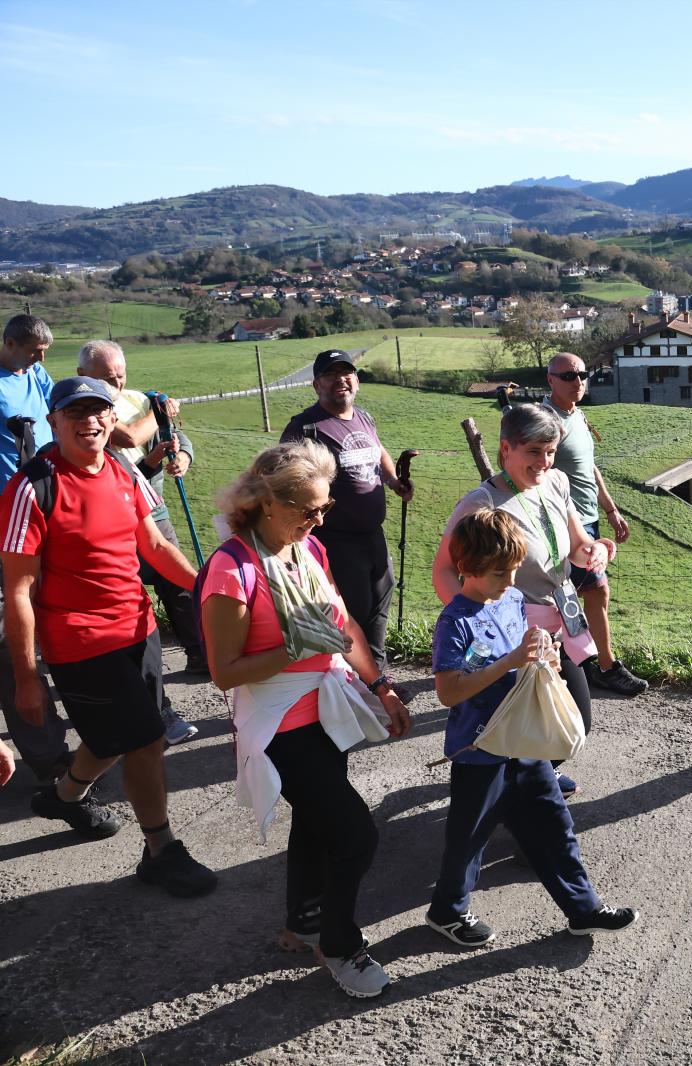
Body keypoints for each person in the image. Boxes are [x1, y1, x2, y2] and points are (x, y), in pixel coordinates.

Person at [199, 439, 412, 999]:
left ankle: (301, 925)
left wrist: (382, 687)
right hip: (278, 727)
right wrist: (295, 649)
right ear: (268, 502)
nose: (318, 519)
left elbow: (343, 627)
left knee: (317, 823)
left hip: (326, 710)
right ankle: (339, 945)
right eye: (307, 509)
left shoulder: (308, 549)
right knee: (356, 836)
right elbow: (224, 672)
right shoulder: (232, 569)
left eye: (325, 508)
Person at [2, 376, 218, 895]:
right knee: (145, 740)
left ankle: (65, 796)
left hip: (137, 631)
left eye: (100, 411)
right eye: (76, 412)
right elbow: (18, 591)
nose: (90, 421)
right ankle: (161, 850)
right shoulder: (32, 487)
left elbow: (155, 547)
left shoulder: (124, 471)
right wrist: (28, 679)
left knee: (111, 737)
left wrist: (211, 592)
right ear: (54, 421)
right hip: (80, 643)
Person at [428, 507, 636, 946]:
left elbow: (522, 653)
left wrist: (546, 654)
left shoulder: (510, 599)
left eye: (515, 570)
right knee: (469, 839)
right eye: (501, 573)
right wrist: (510, 660)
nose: (510, 581)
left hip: (524, 741)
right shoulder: (455, 622)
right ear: (467, 567)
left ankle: (583, 909)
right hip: (480, 749)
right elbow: (449, 692)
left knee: (554, 824)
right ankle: (448, 911)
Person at [431, 403, 614, 799]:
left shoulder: (557, 483)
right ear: (505, 449)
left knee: (573, 719)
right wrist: (477, 620)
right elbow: (443, 570)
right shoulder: (481, 504)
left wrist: (595, 549)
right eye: (533, 451)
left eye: (550, 451)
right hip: (512, 635)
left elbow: (577, 546)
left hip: (560, 624)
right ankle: (523, 789)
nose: (544, 462)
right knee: (524, 718)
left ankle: (532, 774)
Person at [78, 339, 201, 744]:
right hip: (114, 521)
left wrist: (181, 455)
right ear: (85, 377)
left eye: (120, 375)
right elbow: (130, 438)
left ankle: (203, 654)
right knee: (132, 602)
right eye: (107, 377)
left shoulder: (134, 398)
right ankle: (149, 705)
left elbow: (174, 436)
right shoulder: (88, 411)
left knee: (179, 587)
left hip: (155, 510)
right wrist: (158, 411)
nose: (117, 383)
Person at [280, 349, 412, 678]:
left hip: (372, 534)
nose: (341, 379)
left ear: (356, 380)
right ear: (316, 384)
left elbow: (377, 448)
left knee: (380, 603)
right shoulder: (304, 428)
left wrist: (394, 481)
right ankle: (354, 681)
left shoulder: (363, 417)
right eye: (331, 374)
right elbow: (280, 480)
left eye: (347, 372)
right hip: (334, 539)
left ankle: (378, 679)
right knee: (353, 611)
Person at [542, 351, 647, 698]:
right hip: (561, 526)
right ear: (551, 380)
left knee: (586, 594)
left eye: (583, 375)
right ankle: (598, 666)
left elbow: (589, 468)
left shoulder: (577, 415)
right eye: (569, 376)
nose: (578, 382)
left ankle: (584, 665)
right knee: (570, 596)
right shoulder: (545, 420)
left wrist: (612, 510)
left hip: (587, 518)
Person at [0, 314, 70, 791]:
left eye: (44, 352)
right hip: (6, 508)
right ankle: (48, 758)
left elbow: (50, 416)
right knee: (10, 629)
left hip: (41, 500)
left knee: (44, 612)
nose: (39, 360)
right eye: (31, 351)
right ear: (8, 344)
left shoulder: (36, 374)